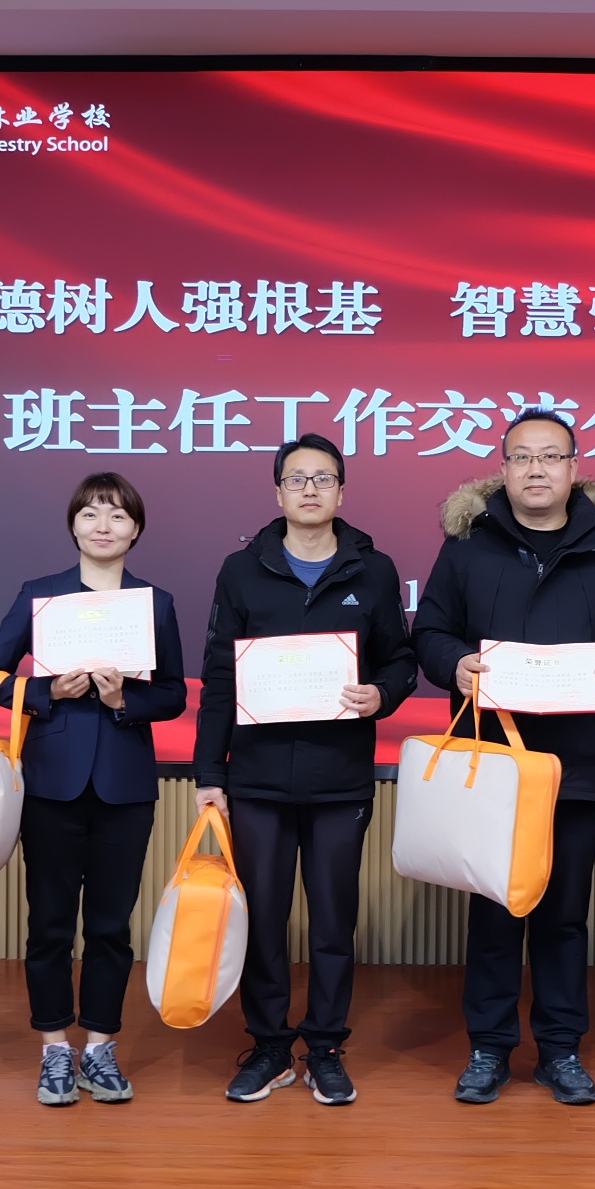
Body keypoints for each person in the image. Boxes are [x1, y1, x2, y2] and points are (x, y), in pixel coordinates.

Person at [411, 407, 595, 1107]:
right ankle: (489, 1048)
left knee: (564, 912)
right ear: (504, 470)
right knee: (495, 908)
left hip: (577, 760)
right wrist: (455, 664)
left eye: (551, 456)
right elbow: (430, 630)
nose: (537, 469)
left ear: (575, 469)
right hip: (495, 761)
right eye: (523, 457)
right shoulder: (468, 545)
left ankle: (560, 1049)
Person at [194, 435, 420, 1107]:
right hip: (257, 778)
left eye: (324, 478)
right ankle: (269, 1046)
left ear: (342, 492)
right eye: (297, 478)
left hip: (339, 778)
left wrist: (382, 694)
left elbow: (401, 660)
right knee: (264, 919)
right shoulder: (242, 570)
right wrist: (209, 773)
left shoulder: (374, 570)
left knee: (332, 922)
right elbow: (219, 676)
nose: (311, 489)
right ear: (278, 493)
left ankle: (324, 1047)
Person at [0, 473, 188, 1108]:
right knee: (49, 925)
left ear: (136, 530)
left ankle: (99, 1045)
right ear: (73, 525)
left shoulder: (155, 604)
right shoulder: (40, 595)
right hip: (51, 785)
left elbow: (173, 695)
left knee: (110, 926)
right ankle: (53, 1049)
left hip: (125, 787)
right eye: (91, 513)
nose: (103, 526)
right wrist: (46, 692)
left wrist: (124, 701)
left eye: (118, 516)